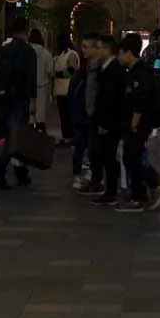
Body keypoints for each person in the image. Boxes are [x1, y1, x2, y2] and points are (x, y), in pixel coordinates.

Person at [113, 34, 160, 213]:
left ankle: (146, 189)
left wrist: (134, 124)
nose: (119, 58)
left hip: (139, 124)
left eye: (120, 54)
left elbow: (140, 101)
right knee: (132, 157)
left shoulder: (140, 73)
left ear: (129, 53)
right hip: (135, 123)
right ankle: (144, 190)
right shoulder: (135, 71)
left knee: (132, 157)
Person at [0, 16, 37, 189]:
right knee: (15, 137)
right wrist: (33, 100)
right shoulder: (27, 51)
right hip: (19, 98)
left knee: (13, 135)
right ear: (26, 30)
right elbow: (30, 78)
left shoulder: (3, 49)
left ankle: (21, 172)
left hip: (4, 99)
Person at [90, 35, 126, 206]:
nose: (96, 51)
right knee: (105, 154)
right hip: (105, 119)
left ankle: (111, 190)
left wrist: (105, 123)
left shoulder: (113, 69)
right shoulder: (105, 67)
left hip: (110, 121)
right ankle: (109, 187)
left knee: (108, 155)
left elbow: (110, 99)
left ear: (107, 49)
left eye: (99, 48)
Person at [70, 35, 98, 188]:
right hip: (81, 115)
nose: (84, 50)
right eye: (83, 47)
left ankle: (91, 174)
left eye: (87, 47)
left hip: (90, 115)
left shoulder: (94, 69)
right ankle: (78, 174)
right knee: (81, 145)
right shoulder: (82, 72)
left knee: (91, 146)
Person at [53, 32, 79, 145]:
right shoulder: (61, 54)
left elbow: (72, 70)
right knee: (63, 114)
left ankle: (70, 136)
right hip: (60, 88)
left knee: (67, 114)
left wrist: (61, 73)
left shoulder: (71, 54)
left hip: (68, 88)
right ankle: (66, 135)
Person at [29, 28, 54, 136]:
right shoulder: (46, 54)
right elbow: (51, 72)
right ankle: (40, 141)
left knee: (29, 117)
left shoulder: (26, 51)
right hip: (42, 88)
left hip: (28, 88)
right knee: (40, 118)